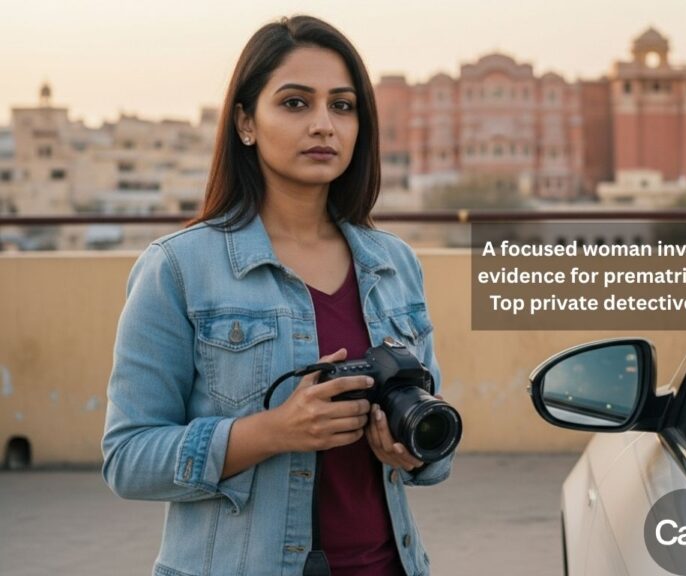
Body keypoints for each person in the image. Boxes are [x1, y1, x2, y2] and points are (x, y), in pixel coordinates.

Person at [101, 15, 452, 576]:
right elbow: (128, 459)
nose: (323, 125)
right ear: (245, 121)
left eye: (342, 106)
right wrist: (271, 432)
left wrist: (410, 451)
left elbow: (435, 452)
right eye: (295, 103)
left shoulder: (395, 264)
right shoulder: (179, 268)